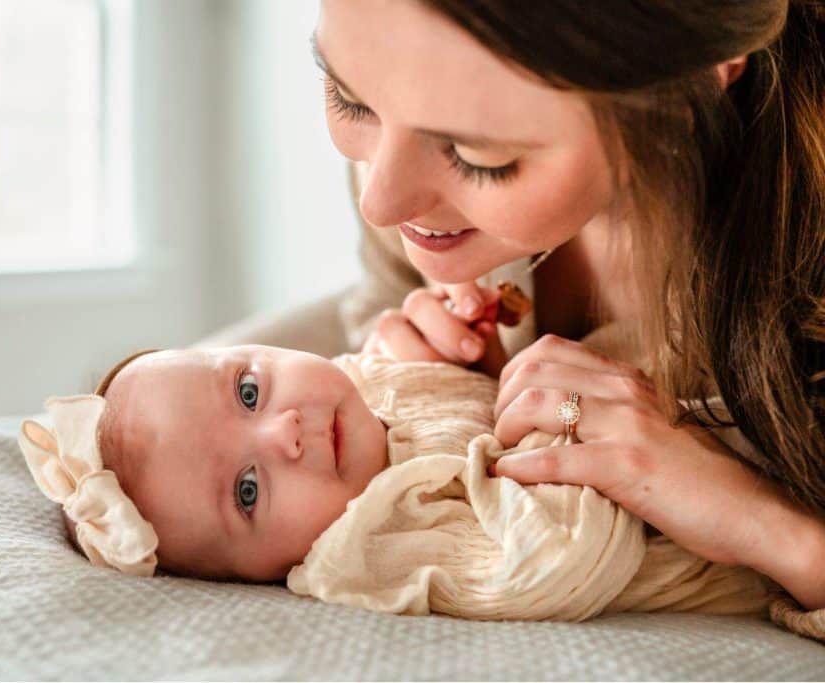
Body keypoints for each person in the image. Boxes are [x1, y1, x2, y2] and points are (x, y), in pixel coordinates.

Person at [201, 0, 825, 639]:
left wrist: (767, 526)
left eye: (478, 155)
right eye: (349, 98)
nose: (379, 201)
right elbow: (375, 298)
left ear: (693, 81)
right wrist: (414, 378)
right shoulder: (405, 149)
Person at [17, 342, 774, 623]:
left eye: (248, 391)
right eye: (248, 491)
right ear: (264, 575)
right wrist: (558, 422)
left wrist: (477, 343)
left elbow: (474, 386)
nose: (282, 431)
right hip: (745, 555)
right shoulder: (371, 547)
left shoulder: (361, 377)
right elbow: (561, 564)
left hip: (729, 416)